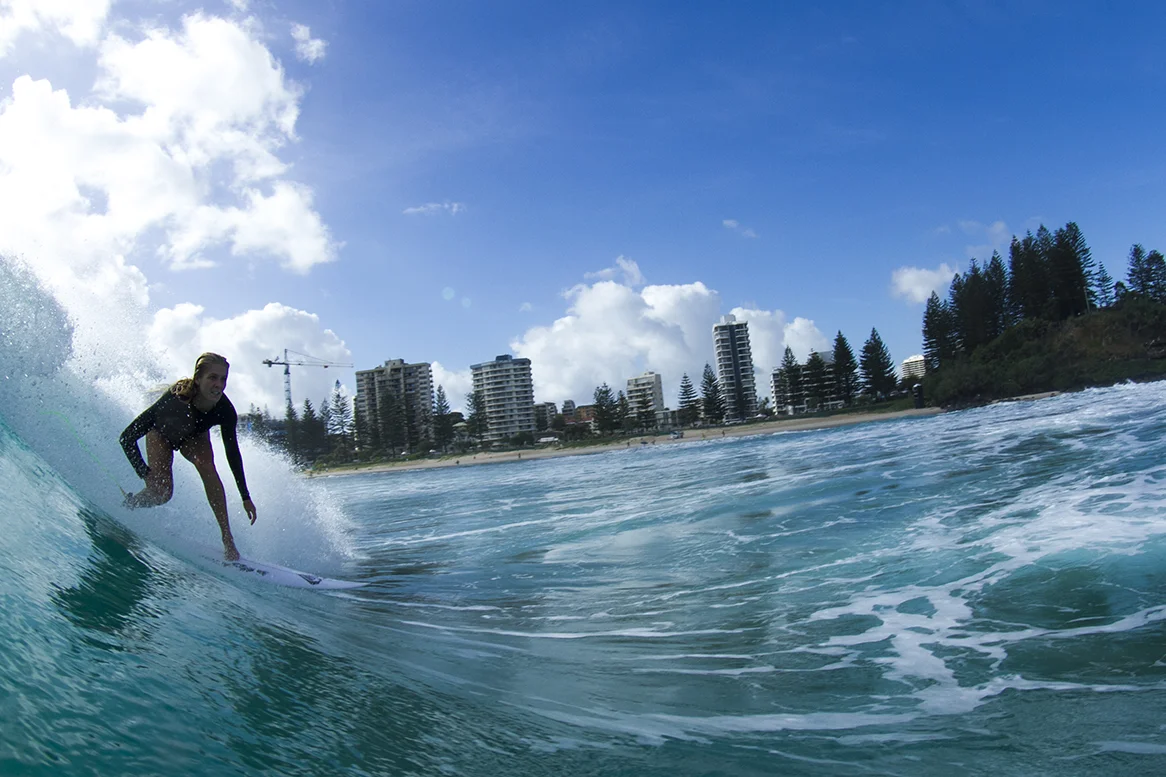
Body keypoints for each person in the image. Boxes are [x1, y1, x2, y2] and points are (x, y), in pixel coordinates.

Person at [119, 352, 257, 561]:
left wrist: (245, 497)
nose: (218, 384)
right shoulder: (174, 400)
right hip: (161, 435)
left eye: (223, 379)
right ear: (198, 378)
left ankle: (227, 539)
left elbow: (233, 453)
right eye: (212, 377)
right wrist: (144, 473)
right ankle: (131, 504)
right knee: (162, 493)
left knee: (207, 466)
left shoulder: (225, 410)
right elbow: (127, 438)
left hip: (194, 437)